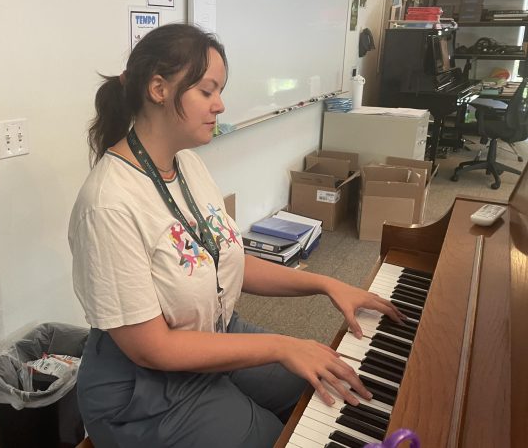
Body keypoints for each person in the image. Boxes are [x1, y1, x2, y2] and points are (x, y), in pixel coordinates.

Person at [69, 23, 404, 448]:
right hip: (142, 388)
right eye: (207, 91)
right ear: (158, 88)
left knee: (323, 385)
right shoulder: (108, 204)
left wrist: (326, 283)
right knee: (269, 433)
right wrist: (283, 345)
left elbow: (229, 263)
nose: (220, 105)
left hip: (212, 334)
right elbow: (151, 349)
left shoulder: (187, 165)